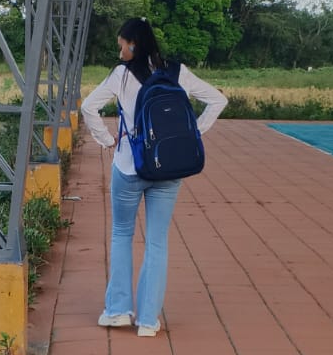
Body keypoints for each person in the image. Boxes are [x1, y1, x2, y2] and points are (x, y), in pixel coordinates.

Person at [80, 17, 227, 336]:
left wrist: (106, 140)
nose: (119, 51)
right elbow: (218, 100)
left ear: (133, 44)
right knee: (157, 242)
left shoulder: (121, 75)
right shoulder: (177, 71)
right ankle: (148, 321)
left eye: (121, 45)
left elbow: (88, 107)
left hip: (129, 166)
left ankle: (118, 311)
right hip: (168, 166)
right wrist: (192, 133)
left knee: (122, 234)